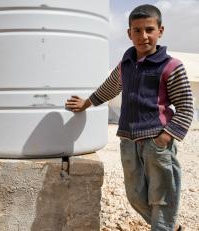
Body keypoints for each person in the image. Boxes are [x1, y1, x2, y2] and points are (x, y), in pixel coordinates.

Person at [66, 4, 193, 231]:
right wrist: (86, 103)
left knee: (162, 196)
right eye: (137, 30)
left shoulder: (171, 66)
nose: (143, 36)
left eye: (149, 29)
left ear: (160, 31)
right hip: (128, 141)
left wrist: (164, 139)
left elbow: (185, 107)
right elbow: (110, 88)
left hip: (157, 142)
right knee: (134, 195)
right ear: (129, 33)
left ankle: (163, 227)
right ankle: (169, 227)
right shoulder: (126, 65)